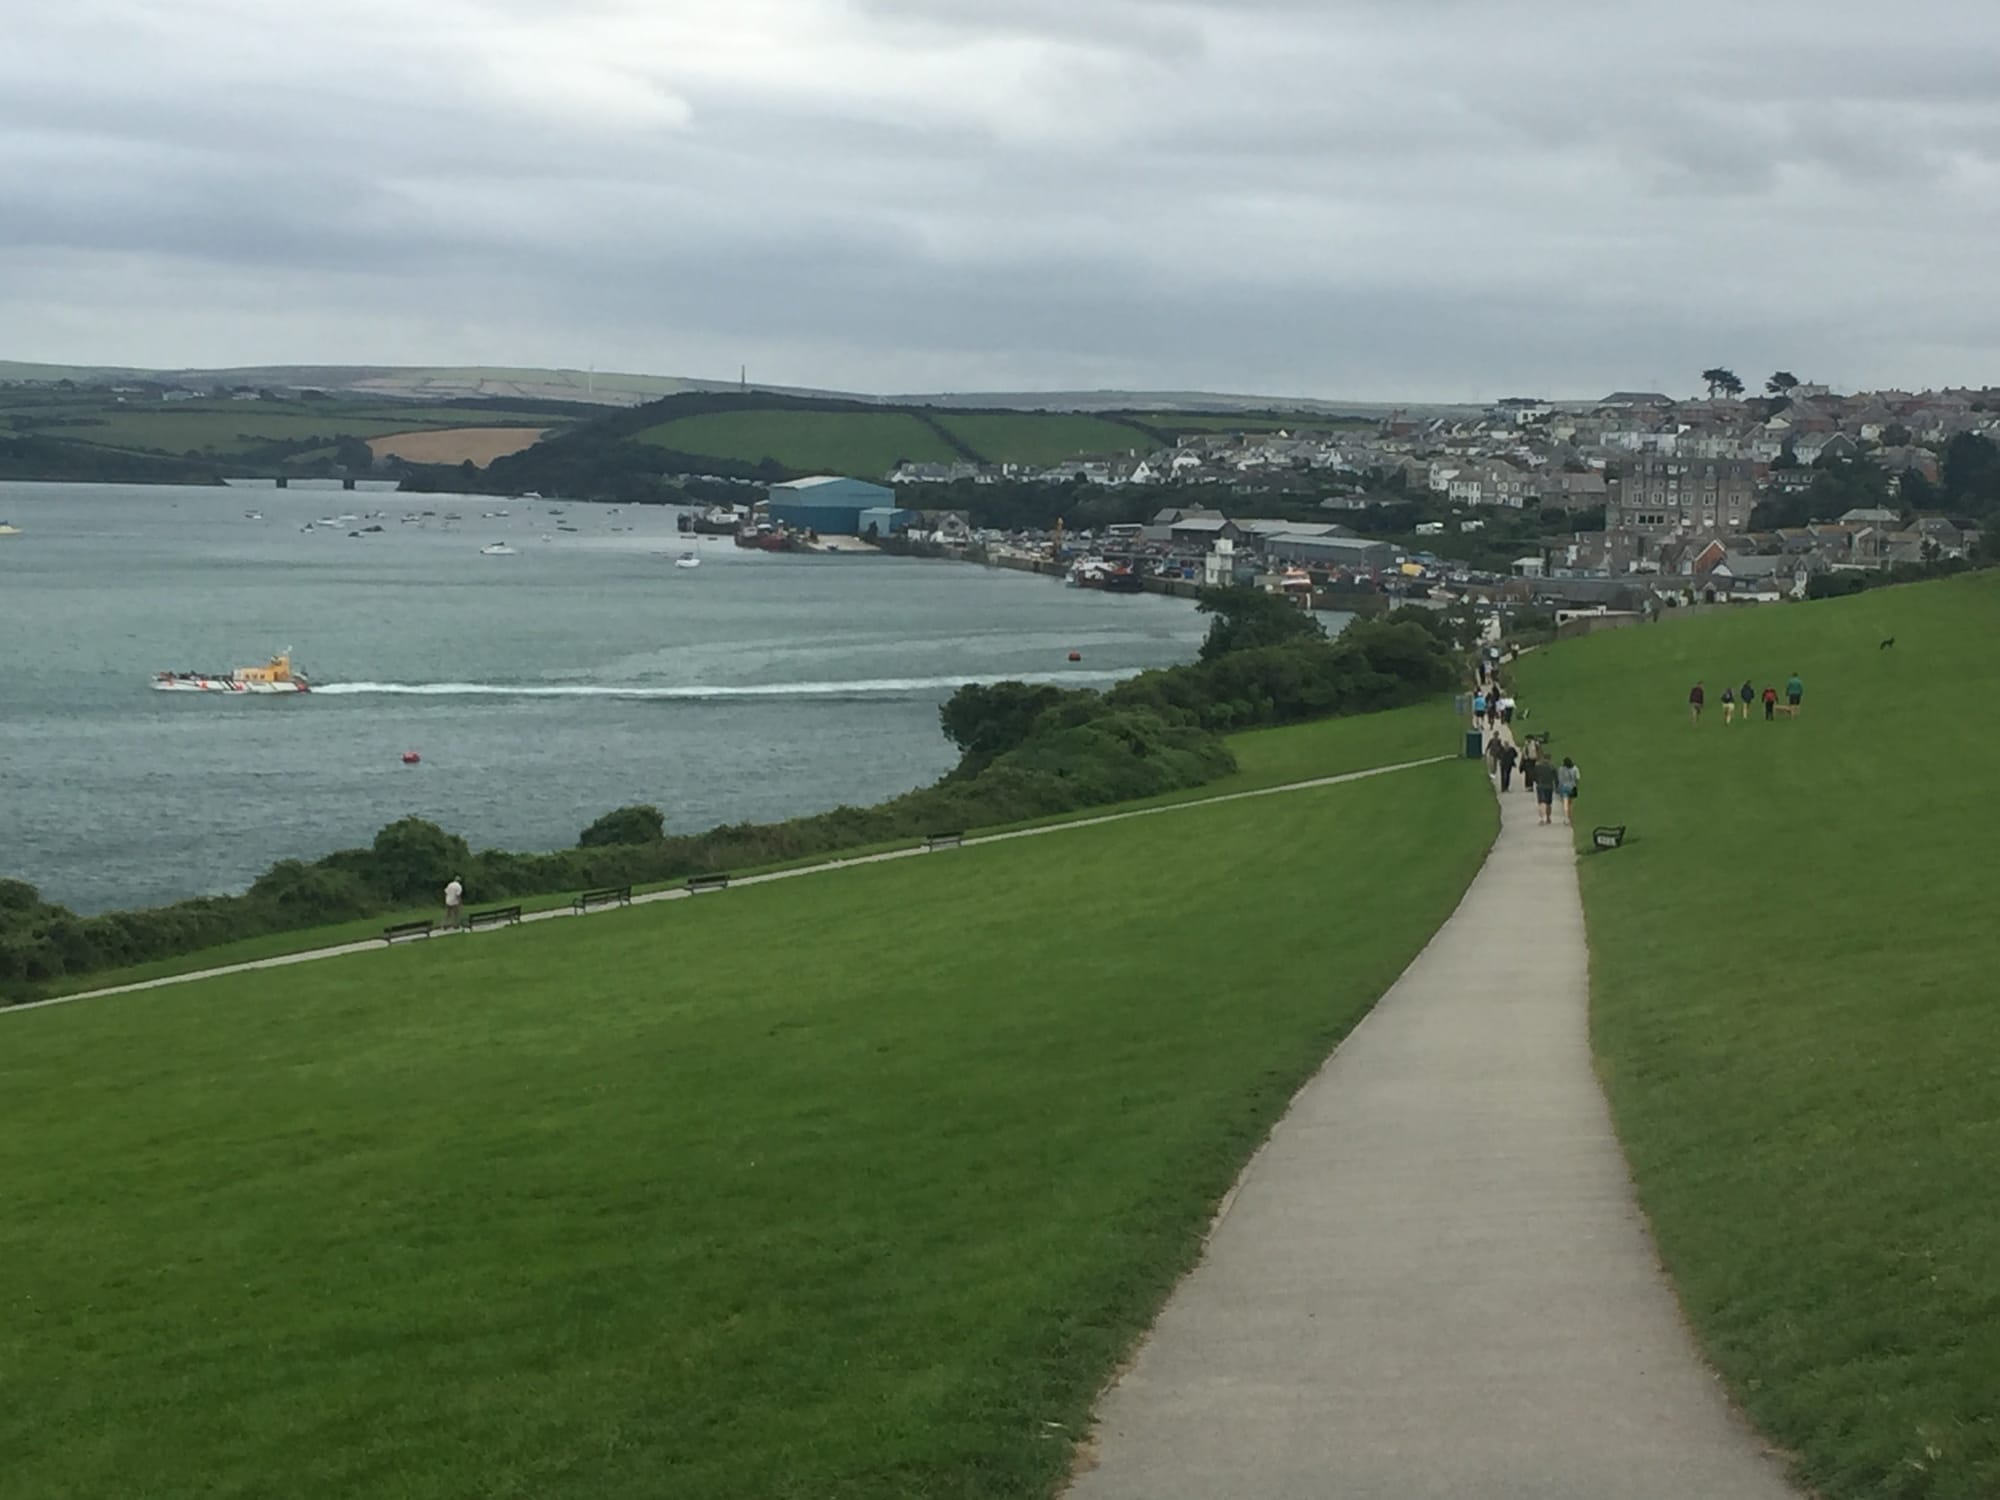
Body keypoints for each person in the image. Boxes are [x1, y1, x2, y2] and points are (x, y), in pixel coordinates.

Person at [1533, 755, 1559, 824]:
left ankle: (1542, 818)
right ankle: (1548, 817)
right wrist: (1557, 787)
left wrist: (1537, 781)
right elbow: (1556, 778)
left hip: (1540, 786)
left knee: (1541, 802)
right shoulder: (1552, 767)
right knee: (1548, 803)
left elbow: (1533, 776)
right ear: (1549, 759)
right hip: (1549, 786)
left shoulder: (1538, 767)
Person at [1556, 756, 1580, 825]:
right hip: (1572, 787)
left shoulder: (1561, 769)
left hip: (1563, 787)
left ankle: (1566, 818)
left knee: (1565, 803)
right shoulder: (1575, 768)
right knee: (1571, 803)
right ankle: (1570, 816)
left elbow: (1559, 779)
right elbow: (1577, 778)